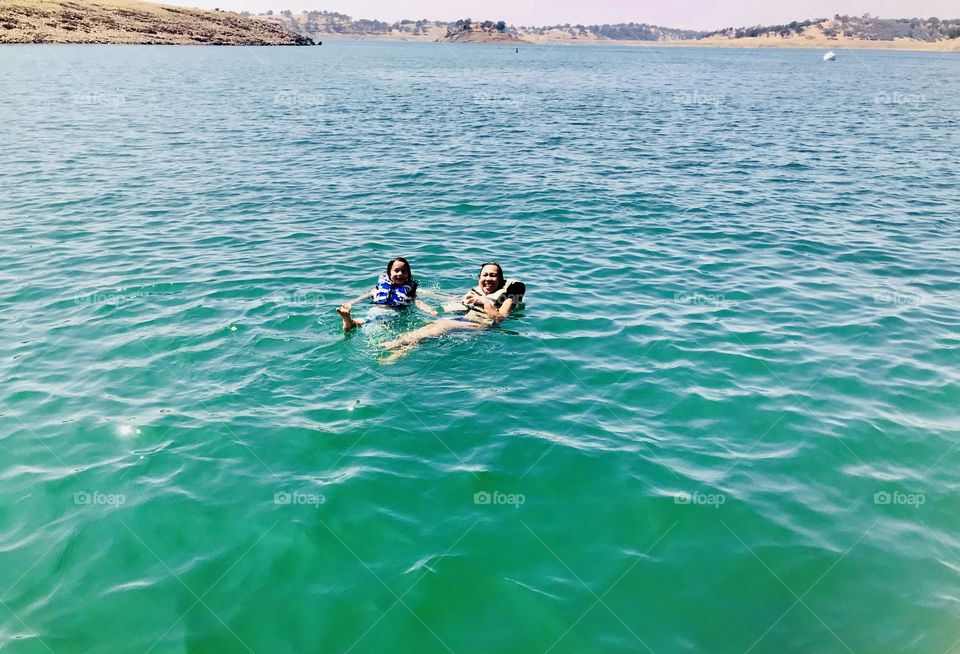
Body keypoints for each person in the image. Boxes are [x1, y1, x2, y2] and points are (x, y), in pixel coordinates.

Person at [380, 262, 524, 359]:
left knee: (443, 325)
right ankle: (400, 352)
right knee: (433, 325)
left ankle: (397, 343)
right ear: (479, 278)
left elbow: (501, 319)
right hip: (465, 320)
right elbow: (456, 301)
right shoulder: (476, 293)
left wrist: (486, 304)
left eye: (493, 275)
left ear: (500, 279)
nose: (488, 278)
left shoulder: (508, 298)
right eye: (485, 275)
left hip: (482, 326)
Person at [337, 257, 437, 331]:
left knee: (365, 322)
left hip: (390, 312)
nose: (400, 274)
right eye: (396, 271)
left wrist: (430, 310)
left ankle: (349, 322)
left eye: (404, 271)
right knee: (377, 325)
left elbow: (417, 302)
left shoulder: (409, 290)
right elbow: (366, 295)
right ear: (389, 273)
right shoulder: (381, 286)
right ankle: (348, 321)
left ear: (408, 275)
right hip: (384, 311)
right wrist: (351, 303)